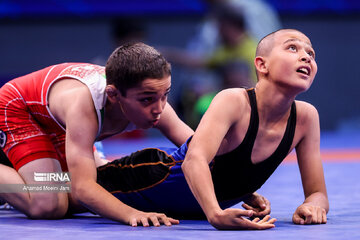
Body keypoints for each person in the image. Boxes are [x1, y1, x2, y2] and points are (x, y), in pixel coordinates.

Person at [96, 29, 328, 230]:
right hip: (148, 178)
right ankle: (67, 163)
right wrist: (215, 214)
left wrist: (312, 206)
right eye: (292, 48)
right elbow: (193, 161)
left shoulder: (306, 118)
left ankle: (87, 158)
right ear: (261, 64)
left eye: (311, 53)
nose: (306, 57)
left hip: (185, 208)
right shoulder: (234, 101)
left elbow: (318, 193)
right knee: (66, 194)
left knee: (71, 189)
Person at [0, 42, 194, 227]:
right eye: (147, 99)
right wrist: (131, 214)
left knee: (103, 183)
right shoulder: (84, 107)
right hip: (18, 108)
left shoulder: (152, 98)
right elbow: (83, 188)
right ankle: (15, 182)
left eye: (165, 94)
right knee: (48, 204)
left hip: (61, 122)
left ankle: (20, 182)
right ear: (114, 95)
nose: (159, 108)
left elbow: (199, 148)